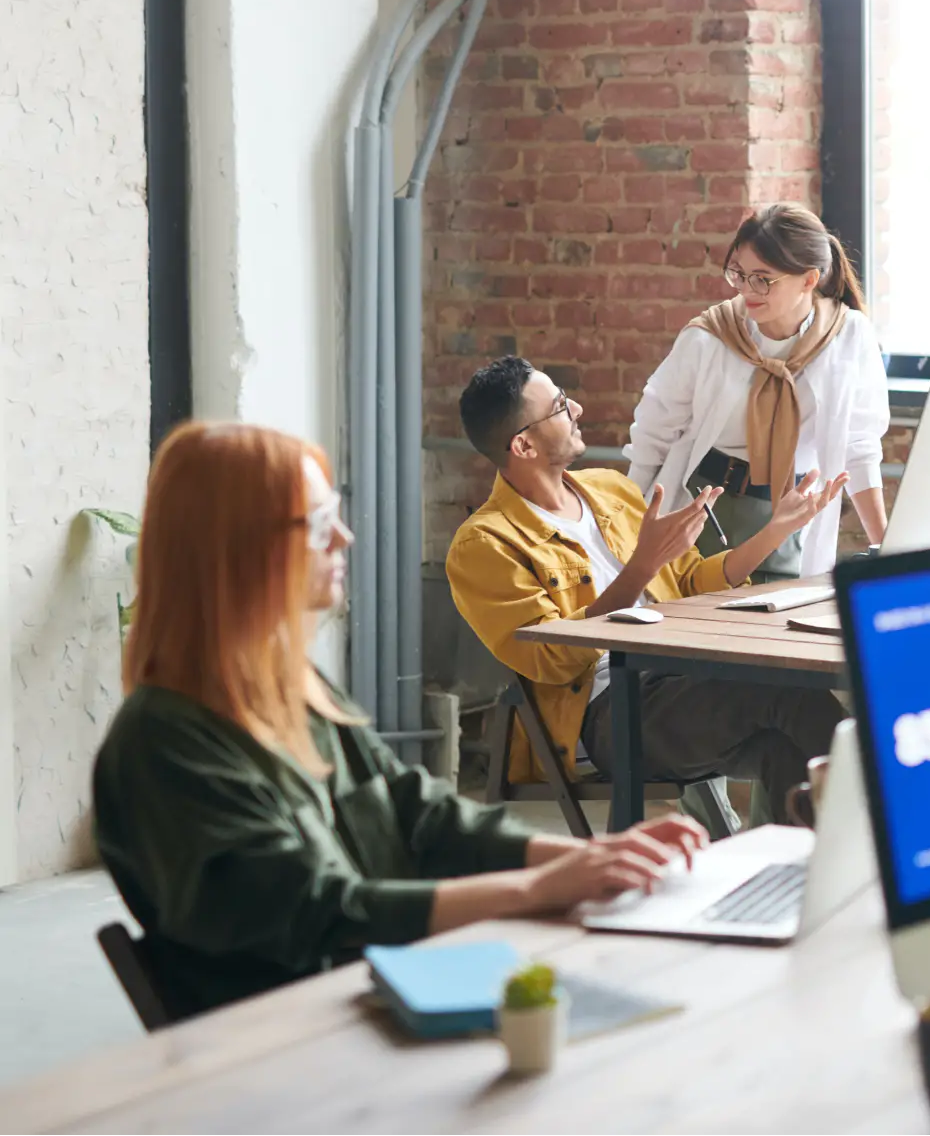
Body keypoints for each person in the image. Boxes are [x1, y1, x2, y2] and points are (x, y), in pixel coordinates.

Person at [92, 422, 710, 1020]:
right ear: (236, 548)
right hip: (297, 1040)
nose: (343, 538)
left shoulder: (297, 689)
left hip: (386, 991)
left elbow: (420, 816)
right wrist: (540, 888)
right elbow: (320, 913)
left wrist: (591, 857)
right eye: (315, 524)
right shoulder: (164, 744)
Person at [447, 355, 849, 833]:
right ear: (523, 444)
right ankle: (904, 825)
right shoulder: (485, 544)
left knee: (787, 747)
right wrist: (641, 567)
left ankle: (797, 883)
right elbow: (552, 656)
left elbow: (693, 581)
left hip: (682, 676)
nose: (575, 407)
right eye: (558, 406)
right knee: (787, 692)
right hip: (609, 713)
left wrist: (774, 532)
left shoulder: (610, 490)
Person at [624, 204, 890, 582]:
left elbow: (860, 446)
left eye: (763, 279)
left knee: (775, 631)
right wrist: (625, 531)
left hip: (789, 514)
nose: (748, 290)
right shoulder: (710, 336)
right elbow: (653, 434)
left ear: (809, 279)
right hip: (701, 508)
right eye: (740, 274)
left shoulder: (849, 337)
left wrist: (889, 550)